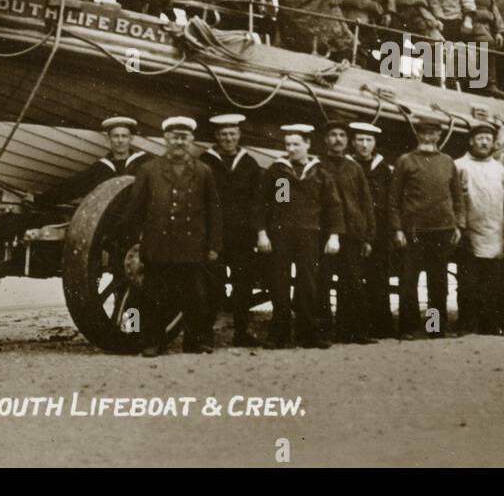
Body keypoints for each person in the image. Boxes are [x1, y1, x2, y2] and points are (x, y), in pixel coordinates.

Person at [121, 116, 221, 356]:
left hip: (191, 245)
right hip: (158, 245)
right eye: (175, 137)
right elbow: (136, 208)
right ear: (166, 139)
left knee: (195, 296)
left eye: (184, 137)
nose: (179, 141)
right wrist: (131, 241)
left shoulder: (204, 171)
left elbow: (213, 211)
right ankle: (153, 342)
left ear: (191, 140)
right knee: (154, 297)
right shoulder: (149, 170)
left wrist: (214, 245)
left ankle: (196, 342)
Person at [256, 124, 343, 349]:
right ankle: (279, 335)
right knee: (279, 284)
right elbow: (266, 205)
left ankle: (309, 334)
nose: (291, 149)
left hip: (310, 236)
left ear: (307, 144)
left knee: (308, 285)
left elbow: (333, 206)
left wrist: (334, 235)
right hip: (281, 236)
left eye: (296, 144)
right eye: (288, 145)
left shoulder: (320, 171)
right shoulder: (278, 171)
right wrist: (262, 233)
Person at [389, 119, 464, 338]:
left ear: (439, 136)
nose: (428, 137)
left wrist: (457, 224)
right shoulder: (406, 161)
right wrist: (397, 229)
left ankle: (434, 327)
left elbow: (457, 197)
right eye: (423, 133)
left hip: (442, 230)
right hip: (414, 231)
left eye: (432, 133)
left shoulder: (448, 161)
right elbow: (393, 199)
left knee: (438, 282)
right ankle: (408, 328)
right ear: (417, 135)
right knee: (409, 282)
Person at [199, 114, 263, 347]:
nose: (228, 139)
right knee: (211, 285)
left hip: (242, 236)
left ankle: (241, 332)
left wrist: (260, 231)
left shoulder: (250, 163)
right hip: (213, 235)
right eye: (224, 134)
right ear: (216, 136)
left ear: (239, 136)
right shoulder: (205, 161)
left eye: (232, 134)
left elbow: (260, 199)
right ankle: (206, 334)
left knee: (243, 285)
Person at [317, 120, 377, 345]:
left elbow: (366, 202)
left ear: (347, 140)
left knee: (352, 282)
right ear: (326, 139)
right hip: (326, 233)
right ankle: (323, 331)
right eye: (333, 135)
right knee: (322, 281)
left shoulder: (354, 168)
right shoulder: (318, 166)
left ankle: (353, 331)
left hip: (352, 232)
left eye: (342, 135)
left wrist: (368, 235)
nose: (338, 139)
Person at [454, 124, 504, 335]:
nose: (484, 142)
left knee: (491, 283)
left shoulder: (499, 169)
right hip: (468, 232)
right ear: (471, 141)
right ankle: (466, 324)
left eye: (488, 138)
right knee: (468, 283)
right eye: (480, 138)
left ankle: (490, 324)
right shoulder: (459, 165)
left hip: (494, 232)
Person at [36, 116, 149, 208]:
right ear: (108, 138)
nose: (120, 140)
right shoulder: (101, 168)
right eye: (115, 136)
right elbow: (72, 186)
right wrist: (39, 200)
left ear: (131, 138)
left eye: (124, 136)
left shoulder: (144, 162)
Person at [349, 122, 396, 338]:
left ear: (375, 143)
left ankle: (381, 326)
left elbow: (393, 199)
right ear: (353, 142)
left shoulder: (384, 169)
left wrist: (394, 228)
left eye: (368, 140)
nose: (364, 145)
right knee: (354, 278)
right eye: (360, 140)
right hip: (354, 229)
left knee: (379, 277)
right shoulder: (348, 166)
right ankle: (357, 325)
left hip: (380, 229)